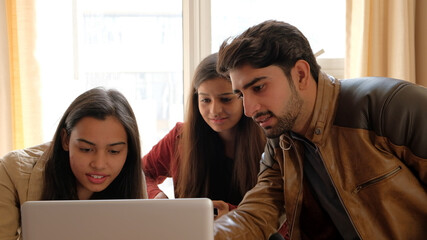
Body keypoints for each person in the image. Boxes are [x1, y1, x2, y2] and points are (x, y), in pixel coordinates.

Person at [213, 20, 427, 240]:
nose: (248, 110)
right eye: (241, 95)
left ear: (301, 74)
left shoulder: (391, 106)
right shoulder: (280, 142)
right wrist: (205, 234)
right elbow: (256, 215)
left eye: (258, 87)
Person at [142, 53, 288, 239]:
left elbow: (286, 218)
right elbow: (141, 172)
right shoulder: (180, 137)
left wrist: (234, 220)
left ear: (243, 97)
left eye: (226, 99)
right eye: (205, 100)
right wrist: (156, 196)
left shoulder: (273, 142)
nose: (214, 110)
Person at [0, 87, 148, 239]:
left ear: (129, 151)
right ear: (65, 140)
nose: (99, 164)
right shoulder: (11, 170)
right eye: (86, 149)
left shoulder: (133, 178)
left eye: (114, 151)